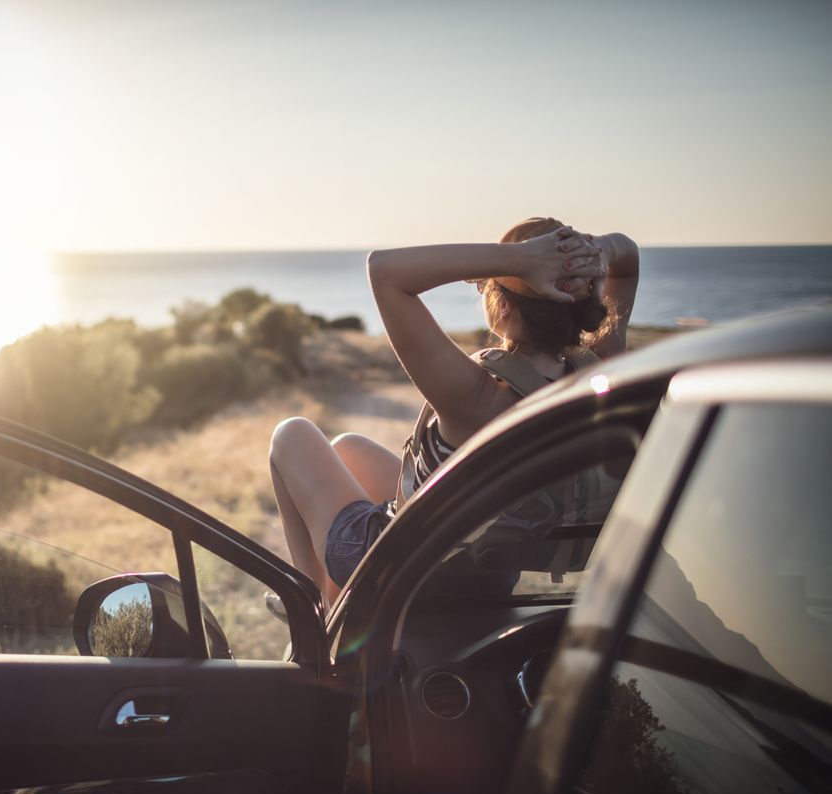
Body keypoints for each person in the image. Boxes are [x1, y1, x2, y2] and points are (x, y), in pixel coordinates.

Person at [269, 218, 640, 605]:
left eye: (487, 285)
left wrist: (516, 259)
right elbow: (627, 259)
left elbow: (383, 271)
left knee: (290, 434)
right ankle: (335, 615)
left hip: (398, 572)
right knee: (347, 447)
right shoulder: (597, 374)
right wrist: (588, 253)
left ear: (506, 309)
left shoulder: (478, 396)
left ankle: (309, 610)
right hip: (485, 572)